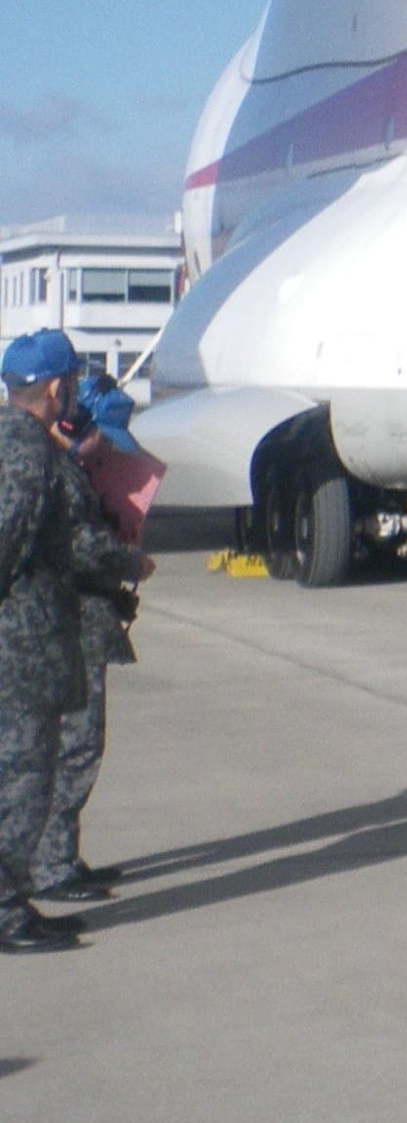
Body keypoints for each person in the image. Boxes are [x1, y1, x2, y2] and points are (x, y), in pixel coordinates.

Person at [2, 330, 145, 950]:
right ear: (58, 388)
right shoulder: (27, 455)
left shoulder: (23, 448)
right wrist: (125, 560)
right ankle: (7, 913)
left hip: (29, 646)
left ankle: (13, 904)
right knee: (23, 785)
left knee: (26, 781)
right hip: (21, 652)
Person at [32, 358, 161, 903]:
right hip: (73, 622)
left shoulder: (71, 471)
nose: (101, 451)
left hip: (83, 621)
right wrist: (131, 561)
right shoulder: (57, 474)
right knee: (75, 747)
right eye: (97, 440)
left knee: (80, 745)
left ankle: (62, 855)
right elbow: (77, 548)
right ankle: (49, 866)